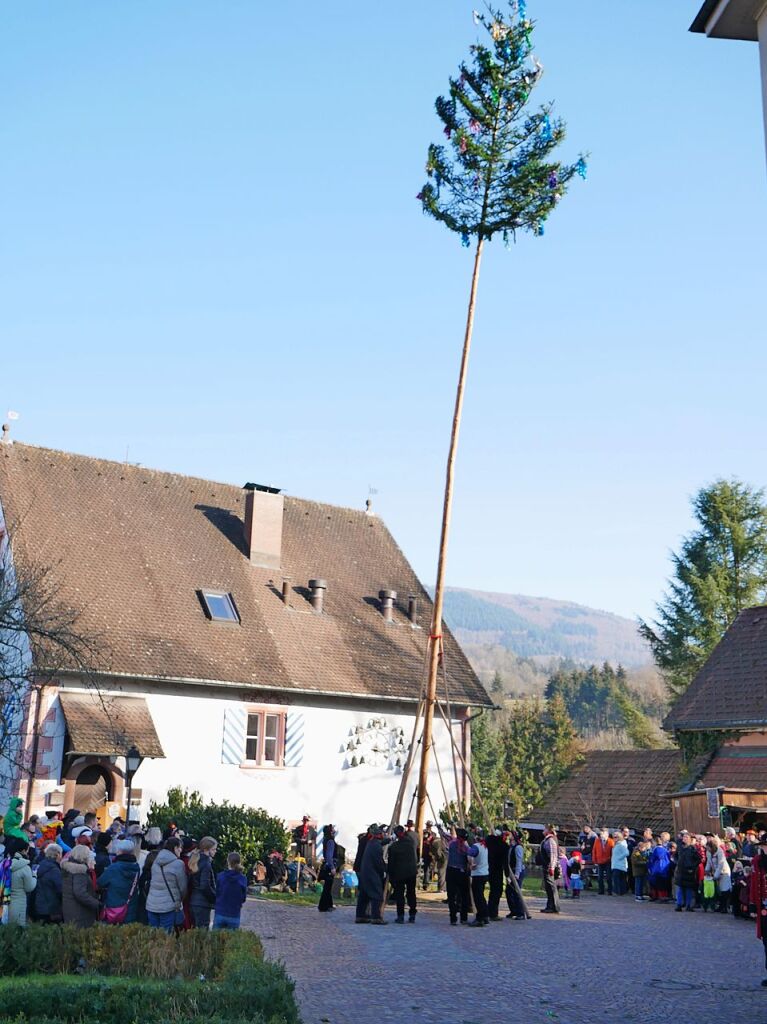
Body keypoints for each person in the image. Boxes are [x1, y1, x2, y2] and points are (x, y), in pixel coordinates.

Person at [146, 836, 188, 933]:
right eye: (180, 848)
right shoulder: (178, 864)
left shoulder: (155, 861)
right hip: (168, 906)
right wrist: (179, 900)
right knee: (166, 935)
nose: (181, 850)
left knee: (153, 934)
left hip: (152, 903)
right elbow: (182, 887)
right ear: (175, 848)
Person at [98, 838, 141, 924]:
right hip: (130, 907)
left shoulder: (114, 868)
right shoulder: (136, 867)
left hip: (114, 909)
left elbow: (100, 883)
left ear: (120, 851)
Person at [61, 843, 100, 928]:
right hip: (80, 913)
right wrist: (96, 903)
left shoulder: (67, 868)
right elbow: (79, 893)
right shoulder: (79, 871)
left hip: (70, 909)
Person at [387, 824, 418, 923]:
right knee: (411, 893)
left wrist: (390, 875)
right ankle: (412, 914)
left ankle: (400, 916)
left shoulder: (394, 847)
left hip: (400, 874)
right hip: (411, 873)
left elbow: (391, 863)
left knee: (400, 895)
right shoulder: (411, 842)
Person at [358, 824, 388, 924]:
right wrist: (383, 871)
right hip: (372, 873)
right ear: (379, 835)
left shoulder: (371, 843)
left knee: (364, 895)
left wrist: (389, 840)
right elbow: (378, 862)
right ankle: (376, 917)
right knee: (376, 894)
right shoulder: (376, 846)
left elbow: (380, 843)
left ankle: (360, 915)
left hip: (365, 872)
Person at [188, 836, 218, 929]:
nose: (215, 851)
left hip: (193, 900)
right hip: (202, 903)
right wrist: (214, 897)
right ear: (206, 850)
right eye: (213, 849)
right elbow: (205, 885)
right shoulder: (206, 863)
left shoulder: (196, 860)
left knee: (194, 932)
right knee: (202, 933)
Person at [213, 852, 248, 930]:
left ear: (228, 862)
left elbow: (217, 892)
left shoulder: (220, 876)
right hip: (234, 912)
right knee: (232, 940)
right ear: (240, 862)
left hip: (220, 910)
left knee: (215, 939)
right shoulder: (243, 878)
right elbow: (243, 898)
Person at [750, 832, 767, 986]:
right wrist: (753, 903)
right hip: (764, 908)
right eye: (764, 846)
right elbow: (755, 884)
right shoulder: (757, 861)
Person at [446, 828, 471, 925]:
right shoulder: (466, 847)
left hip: (451, 871)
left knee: (451, 896)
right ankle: (464, 918)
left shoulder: (452, 844)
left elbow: (449, 838)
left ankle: (453, 918)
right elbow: (471, 855)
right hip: (462, 872)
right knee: (464, 896)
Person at [8, 842, 36, 926]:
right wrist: (34, 876)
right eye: (27, 850)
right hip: (19, 902)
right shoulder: (25, 867)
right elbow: (29, 888)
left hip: (4, 902)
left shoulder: (4, 865)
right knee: (18, 931)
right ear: (23, 851)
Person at [35, 843, 63, 923]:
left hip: (39, 907)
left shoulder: (40, 865)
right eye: (61, 854)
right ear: (57, 854)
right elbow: (60, 889)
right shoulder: (54, 870)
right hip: (52, 909)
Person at [485, 826, 508, 922]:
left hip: (487, 869)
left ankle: (489, 911)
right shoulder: (503, 846)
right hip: (497, 870)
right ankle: (493, 913)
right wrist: (507, 874)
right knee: (497, 891)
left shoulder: (488, 841)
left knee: (493, 892)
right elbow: (505, 862)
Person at [674, 831, 702, 912]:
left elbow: (698, 859)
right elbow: (675, 856)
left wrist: (692, 867)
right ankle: (679, 905)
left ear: (690, 839)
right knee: (679, 888)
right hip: (680, 871)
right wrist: (677, 863)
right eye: (684, 837)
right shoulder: (680, 847)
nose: (684, 838)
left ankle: (688, 905)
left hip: (689, 871)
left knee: (688, 889)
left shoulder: (692, 849)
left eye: (686, 837)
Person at [467, 831, 490, 927]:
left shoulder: (476, 846)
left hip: (477, 874)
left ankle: (480, 918)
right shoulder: (485, 847)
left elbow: (469, 854)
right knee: (481, 896)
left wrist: (471, 864)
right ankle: (485, 916)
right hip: (485, 873)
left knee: (478, 898)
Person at [706, 835, 731, 914]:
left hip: (724, 872)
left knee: (724, 890)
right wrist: (707, 870)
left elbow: (721, 864)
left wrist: (716, 876)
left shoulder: (720, 852)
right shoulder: (708, 852)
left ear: (712, 847)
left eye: (708, 847)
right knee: (719, 890)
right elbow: (709, 862)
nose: (707, 849)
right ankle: (721, 906)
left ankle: (725, 907)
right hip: (716, 872)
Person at [539, 825, 560, 914]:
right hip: (546, 865)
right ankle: (549, 905)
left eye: (545, 829)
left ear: (548, 830)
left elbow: (553, 854)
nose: (543, 830)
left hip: (549, 866)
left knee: (551, 887)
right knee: (548, 887)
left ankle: (554, 906)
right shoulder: (547, 839)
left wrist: (552, 867)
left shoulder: (551, 840)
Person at [318, 825, 337, 913]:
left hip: (326, 865)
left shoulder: (325, 840)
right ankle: (324, 906)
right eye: (332, 830)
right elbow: (329, 856)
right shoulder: (330, 841)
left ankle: (328, 904)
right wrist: (332, 867)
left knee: (328, 887)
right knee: (327, 887)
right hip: (329, 866)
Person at [647, 836, 672, 902]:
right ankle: (664, 896)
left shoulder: (655, 850)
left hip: (656, 868)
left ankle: (656, 896)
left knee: (655, 883)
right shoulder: (665, 850)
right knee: (663, 883)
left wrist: (649, 867)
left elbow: (651, 860)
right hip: (665, 868)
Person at [592, 828, 613, 895]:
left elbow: (612, 852)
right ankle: (601, 890)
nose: (601, 835)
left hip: (608, 861)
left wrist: (610, 859)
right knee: (600, 877)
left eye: (602, 834)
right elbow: (594, 850)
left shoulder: (611, 841)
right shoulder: (597, 840)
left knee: (608, 877)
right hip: (599, 861)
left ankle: (610, 891)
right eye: (600, 834)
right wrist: (594, 860)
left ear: (607, 834)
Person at [611, 830, 629, 896]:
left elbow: (626, 853)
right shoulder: (616, 845)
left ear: (619, 837)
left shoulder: (621, 844)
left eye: (616, 837)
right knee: (618, 880)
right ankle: (619, 892)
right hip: (615, 865)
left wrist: (619, 858)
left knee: (619, 880)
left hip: (620, 866)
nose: (614, 838)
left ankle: (618, 892)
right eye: (614, 837)